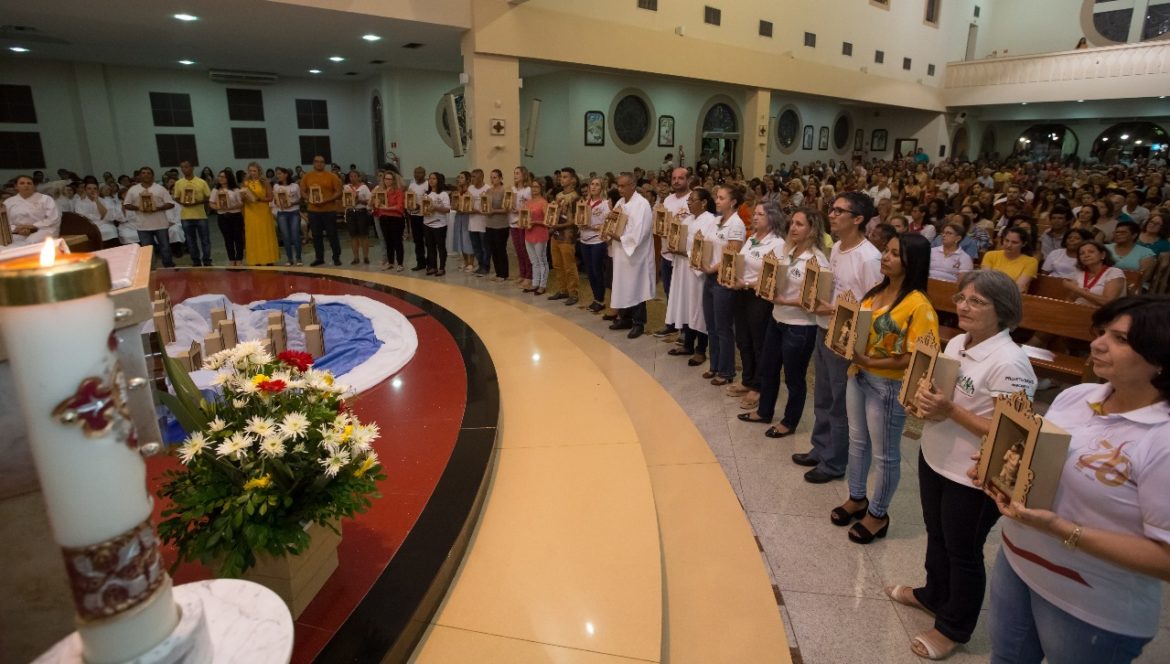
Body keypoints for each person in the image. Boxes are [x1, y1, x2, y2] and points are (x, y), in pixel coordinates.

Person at [982, 295, 1170, 664]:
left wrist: (1063, 529)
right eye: (1101, 333)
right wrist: (999, 465)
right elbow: (1046, 461)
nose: (1097, 344)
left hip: (1090, 600)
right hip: (1018, 561)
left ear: (1160, 359)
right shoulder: (1079, 397)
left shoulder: (1161, 439)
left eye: (1120, 339)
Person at [887, 270, 1036, 660]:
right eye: (961, 298)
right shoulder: (957, 344)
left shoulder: (1011, 364)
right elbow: (940, 395)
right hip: (936, 456)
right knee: (936, 534)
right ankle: (933, 594)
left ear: (1002, 311)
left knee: (963, 550)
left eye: (976, 302)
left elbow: (1011, 433)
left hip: (973, 475)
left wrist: (950, 409)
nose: (963, 306)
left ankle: (954, 626)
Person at [835, 233, 937, 544]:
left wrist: (873, 361)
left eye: (894, 253)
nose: (886, 257)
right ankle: (857, 497)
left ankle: (878, 514)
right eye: (887, 251)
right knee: (857, 441)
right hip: (859, 374)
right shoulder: (876, 291)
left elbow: (918, 356)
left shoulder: (918, 305)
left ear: (911, 262)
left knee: (885, 454)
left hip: (888, 384)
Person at [796, 192, 883, 483]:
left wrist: (831, 307)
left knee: (838, 400)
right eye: (831, 209)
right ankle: (820, 449)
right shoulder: (836, 249)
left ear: (858, 219)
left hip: (845, 334)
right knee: (822, 393)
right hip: (824, 326)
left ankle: (834, 462)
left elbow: (874, 306)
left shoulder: (869, 257)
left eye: (838, 211)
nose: (831, 214)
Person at [739, 207, 829, 437]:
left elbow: (813, 300)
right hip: (777, 319)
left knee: (794, 377)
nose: (793, 228)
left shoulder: (816, 259)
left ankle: (789, 421)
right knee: (768, 369)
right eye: (792, 223)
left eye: (800, 224)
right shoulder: (788, 251)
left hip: (800, 326)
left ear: (812, 229)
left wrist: (782, 299)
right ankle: (764, 411)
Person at [727, 202, 787, 409]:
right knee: (743, 339)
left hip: (759, 296)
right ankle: (747, 378)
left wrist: (747, 283)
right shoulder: (752, 238)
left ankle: (760, 386)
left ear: (772, 218)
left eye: (760, 214)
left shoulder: (777, 243)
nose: (755, 217)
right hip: (741, 292)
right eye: (755, 213)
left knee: (759, 341)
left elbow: (772, 276)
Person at [701, 184, 749, 383]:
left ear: (733, 202)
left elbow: (732, 254)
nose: (717, 201)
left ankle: (726, 370)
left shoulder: (736, 224)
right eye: (717, 197)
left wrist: (712, 268)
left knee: (723, 327)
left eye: (721, 198)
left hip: (724, 278)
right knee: (711, 325)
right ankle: (715, 364)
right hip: (710, 276)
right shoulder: (717, 220)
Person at [666, 188, 716, 364]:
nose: (688, 203)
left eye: (692, 200)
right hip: (682, 268)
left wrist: (684, 252)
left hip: (697, 271)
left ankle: (701, 349)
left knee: (698, 309)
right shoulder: (687, 218)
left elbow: (707, 247)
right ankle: (687, 343)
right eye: (688, 200)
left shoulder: (711, 220)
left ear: (703, 202)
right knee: (686, 305)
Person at [607, 172, 655, 339]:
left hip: (635, 255)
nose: (619, 189)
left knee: (636, 286)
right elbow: (614, 222)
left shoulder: (642, 205)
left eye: (622, 186)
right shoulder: (620, 202)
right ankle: (624, 318)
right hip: (621, 252)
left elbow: (641, 232)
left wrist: (620, 237)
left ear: (633, 186)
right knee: (621, 285)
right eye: (618, 185)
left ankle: (638, 322)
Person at [655, 168, 693, 337]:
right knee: (669, 291)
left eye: (681, 178)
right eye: (674, 178)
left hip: (683, 256)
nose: (677, 181)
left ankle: (686, 328)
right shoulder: (668, 199)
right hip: (666, 253)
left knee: (683, 294)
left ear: (688, 180)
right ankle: (670, 322)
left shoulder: (692, 200)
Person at [122, 167, 176, 268]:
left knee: (165, 247)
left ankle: (168, 266)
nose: (146, 175)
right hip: (143, 225)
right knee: (147, 249)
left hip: (160, 224)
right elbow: (126, 204)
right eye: (143, 173)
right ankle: (150, 268)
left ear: (152, 176)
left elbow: (171, 204)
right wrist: (139, 208)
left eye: (148, 173)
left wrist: (158, 208)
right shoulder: (133, 190)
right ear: (139, 176)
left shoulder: (160, 189)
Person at [301, 155, 343, 266]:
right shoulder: (307, 177)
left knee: (332, 234)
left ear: (325, 164)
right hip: (313, 211)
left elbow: (339, 192)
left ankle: (336, 257)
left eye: (322, 162)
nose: (319, 163)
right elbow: (303, 191)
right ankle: (319, 258)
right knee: (316, 235)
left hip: (329, 210)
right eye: (317, 161)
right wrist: (309, 199)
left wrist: (326, 200)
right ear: (313, 163)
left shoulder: (332, 176)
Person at [548, 167, 582, 304]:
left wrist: (559, 226)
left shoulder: (576, 198)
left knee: (569, 265)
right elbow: (555, 214)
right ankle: (563, 290)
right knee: (557, 264)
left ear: (573, 180)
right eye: (561, 176)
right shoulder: (558, 196)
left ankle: (573, 293)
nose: (561, 179)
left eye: (565, 177)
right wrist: (551, 223)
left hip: (567, 236)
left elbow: (576, 220)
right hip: (556, 235)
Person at [579, 177, 611, 313]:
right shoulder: (584, 203)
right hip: (584, 240)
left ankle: (601, 300)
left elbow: (608, 223)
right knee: (590, 272)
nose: (593, 187)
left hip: (597, 241)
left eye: (597, 185)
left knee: (597, 271)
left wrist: (591, 226)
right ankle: (595, 298)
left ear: (602, 188)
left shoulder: (605, 203)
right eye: (592, 184)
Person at [2, 174, 60, 247]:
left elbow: (53, 219)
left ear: (33, 186)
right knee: (6, 244)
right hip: (18, 232)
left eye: (29, 183)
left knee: (32, 242)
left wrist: (32, 226)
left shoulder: (46, 199)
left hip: (42, 230)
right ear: (16, 186)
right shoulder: (8, 202)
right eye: (22, 183)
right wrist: (16, 229)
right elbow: (5, 223)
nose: (26, 185)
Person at [173, 160, 212, 266]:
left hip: (200, 215)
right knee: (190, 241)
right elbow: (176, 197)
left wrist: (197, 202)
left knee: (205, 240)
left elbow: (209, 197)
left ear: (192, 168)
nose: (184, 169)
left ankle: (207, 260)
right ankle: (196, 260)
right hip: (186, 216)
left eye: (186, 167)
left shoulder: (201, 182)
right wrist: (183, 202)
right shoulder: (178, 183)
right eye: (182, 167)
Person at [1065, 240, 1126, 306]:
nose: (1086, 255)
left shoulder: (1114, 272)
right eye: (1082, 253)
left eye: (1091, 252)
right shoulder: (1078, 273)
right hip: (1077, 311)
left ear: (1102, 255)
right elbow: (1070, 300)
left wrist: (1077, 289)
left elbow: (1108, 302)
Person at [240, 162, 279, 266]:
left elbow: (270, 197)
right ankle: (256, 259)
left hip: (263, 211)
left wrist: (259, 198)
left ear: (259, 171)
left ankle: (268, 258)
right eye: (250, 171)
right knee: (253, 235)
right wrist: (243, 197)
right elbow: (242, 198)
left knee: (265, 234)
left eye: (254, 171)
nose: (252, 173)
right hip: (250, 212)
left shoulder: (265, 182)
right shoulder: (245, 183)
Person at [982, 226, 1039, 293]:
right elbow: (985, 280)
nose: (1009, 245)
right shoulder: (990, 255)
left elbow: (1019, 287)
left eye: (1014, 242)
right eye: (1007, 240)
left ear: (1024, 244)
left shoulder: (1031, 262)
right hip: (988, 294)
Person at [372, 171, 406, 271]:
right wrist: (374, 201)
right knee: (388, 241)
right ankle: (390, 262)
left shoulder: (398, 191)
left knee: (397, 241)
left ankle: (400, 263)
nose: (387, 181)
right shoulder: (380, 191)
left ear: (393, 180)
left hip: (396, 219)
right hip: (383, 218)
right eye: (386, 179)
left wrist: (386, 208)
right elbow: (376, 207)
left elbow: (399, 207)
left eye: (390, 179)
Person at [209, 170, 244, 266]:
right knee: (228, 239)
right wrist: (218, 207)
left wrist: (230, 207)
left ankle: (239, 258)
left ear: (229, 178)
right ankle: (231, 259)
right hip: (222, 217)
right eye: (219, 176)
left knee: (238, 238)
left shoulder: (235, 189)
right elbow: (211, 203)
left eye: (223, 177)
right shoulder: (216, 190)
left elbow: (241, 203)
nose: (221, 178)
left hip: (235, 215)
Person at [523, 180, 550, 295]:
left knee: (542, 260)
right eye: (532, 187)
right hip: (528, 233)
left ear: (541, 188)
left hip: (540, 234)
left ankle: (542, 285)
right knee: (534, 261)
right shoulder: (528, 202)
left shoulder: (544, 203)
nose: (534, 189)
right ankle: (535, 283)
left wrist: (535, 222)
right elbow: (524, 216)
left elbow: (548, 221)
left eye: (536, 187)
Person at [272, 167, 302, 266]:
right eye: (277, 174)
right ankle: (289, 258)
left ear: (286, 174)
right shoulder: (276, 186)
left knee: (295, 235)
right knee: (285, 236)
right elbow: (275, 200)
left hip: (294, 212)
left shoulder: (295, 186)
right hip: (282, 213)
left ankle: (298, 257)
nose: (278, 176)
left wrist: (292, 203)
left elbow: (300, 200)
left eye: (280, 173)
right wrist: (279, 202)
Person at [485, 168, 511, 283]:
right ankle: (497, 272)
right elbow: (485, 205)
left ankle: (504, 274)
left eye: (494, 177)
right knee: (493, 250)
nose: (492, 179)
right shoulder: (488, 191)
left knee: (501, 249)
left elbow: (506, 209)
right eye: (491, 177)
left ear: (500, 178)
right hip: (489, 224)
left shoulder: (504, 191)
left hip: (501, 225)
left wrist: (494, 210)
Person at [510, 167, 534, 289]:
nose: (515, 175)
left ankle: (529, 276)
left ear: (524, 175)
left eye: (518, 173)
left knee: (525, 250)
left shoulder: (528, 190)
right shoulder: (513, 189)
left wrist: (519, 210)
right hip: (513, 222)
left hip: (523, 222)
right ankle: (522, 273)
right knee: (518, 250)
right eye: (514, 173)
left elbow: (530, 207)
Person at [422, 171, 450, 276]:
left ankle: (442, 267)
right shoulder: (426, 194)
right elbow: (424, 208)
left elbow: (447, 209)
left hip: (439, 224)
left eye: (433, 178)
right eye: (429, 178)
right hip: (427, 223)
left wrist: (435, 207)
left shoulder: (443, 194)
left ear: (438, 180)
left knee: (441, 246)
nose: (431, 180)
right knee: (430, 247)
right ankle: (433, 266)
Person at [343, 170, 372, 265]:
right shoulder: (346, 187)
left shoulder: (364, 187)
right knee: (353, 236)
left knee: (363, 235)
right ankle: (356, 257)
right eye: (351, 176)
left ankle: (366, 257)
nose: (353, 178)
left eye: (355, 176)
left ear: (359, 177)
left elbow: (369, 201)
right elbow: (344, 200)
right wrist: (349, 200)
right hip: (351, 212)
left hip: (361, 212)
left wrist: (359, 200)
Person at [406, 166, 430, 271]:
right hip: (414, 216)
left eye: (419, 173)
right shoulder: (412, 185)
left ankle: (430, 263)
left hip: (426, 217)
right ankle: (420, 262)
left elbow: (429, 200)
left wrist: (421, 206)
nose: (417, 175)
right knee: (417, 241)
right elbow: (408, 199)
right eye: (415, 173)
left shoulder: (428, 185)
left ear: (424, 174)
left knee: (428, 241)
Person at [467, 168, 490, 275]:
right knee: (476, 247)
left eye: (474, 177)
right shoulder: (470, 189)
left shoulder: (487, 189)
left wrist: (477, 210)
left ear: (481, 177)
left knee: (485, 247)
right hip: (472, 223)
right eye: (471, 177)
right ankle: (480, 265)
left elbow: (489, 207)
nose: (471, 179)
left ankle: (486, 266)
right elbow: (466, 203)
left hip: (484, 223)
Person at [451, 171, 475, 272]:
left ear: (467, 180)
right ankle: (465, 261)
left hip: (467, 217)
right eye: (459, 177)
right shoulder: (457, 192)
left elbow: (471, 204)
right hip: (459, 216)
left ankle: (471, 263)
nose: (459, 179)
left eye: (461, 178)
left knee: (467, 238)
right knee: (460, 238)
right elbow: (453, 205)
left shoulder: (470, 191)